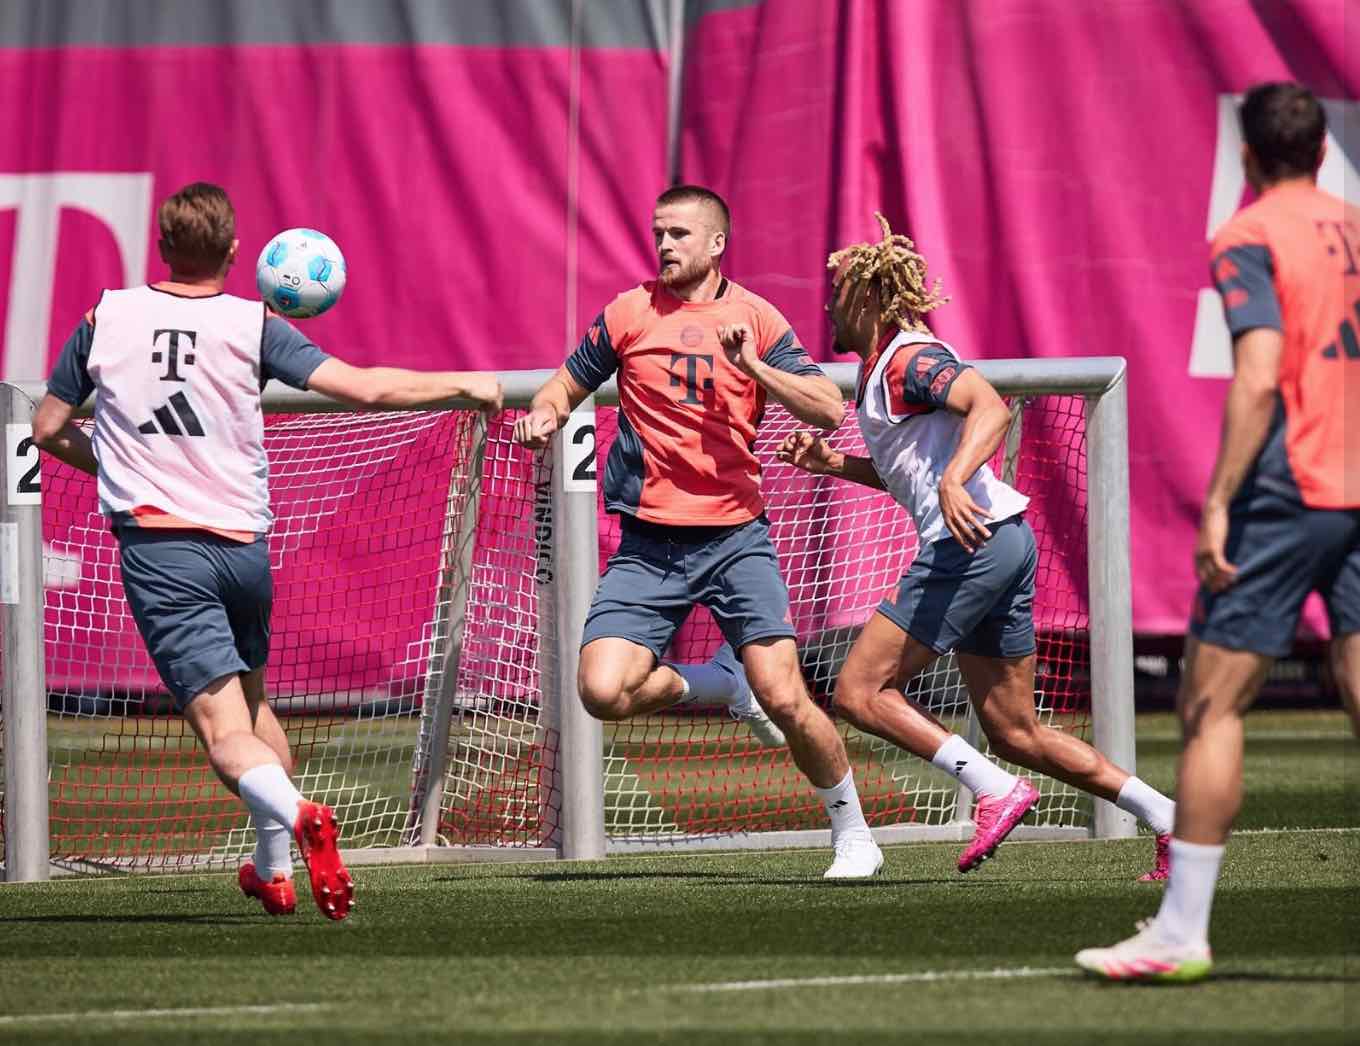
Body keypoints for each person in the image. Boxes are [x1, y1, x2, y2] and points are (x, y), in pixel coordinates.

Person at [31, 182, 503, 919]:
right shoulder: (254, 324)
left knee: (222, 734)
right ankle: (272, 870)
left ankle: (300, 813)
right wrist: (465, 384)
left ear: (161, 246)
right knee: (253, 708)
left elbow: (48, 427)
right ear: (234, 252)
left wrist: (120, 467)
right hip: (244, 553)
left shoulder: (106, 316)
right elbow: (364, 390)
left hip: (163, 553)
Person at [778, 213, 1175, 876]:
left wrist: (956, 478)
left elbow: (990, 406)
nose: (828, 305)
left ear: (870, 296)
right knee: (1016, 733)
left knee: (858, 691)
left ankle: (994, 790)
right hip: (1002, 541)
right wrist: (834, 464)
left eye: (839, 291)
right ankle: (1168, 818)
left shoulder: (909, 358)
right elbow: (911, 473)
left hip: (972, 544)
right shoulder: (880, 370)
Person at [512, 184, 883, 877]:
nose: (664, 245)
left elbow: (828, 409)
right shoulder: (629, 311)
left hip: (736, 539)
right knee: (602, 692)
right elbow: (564, 384)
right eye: (659, 233)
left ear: (717, 243)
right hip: (649, 546)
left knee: (786, 696)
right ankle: (719, 684)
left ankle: (854, 832)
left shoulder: (757, 318)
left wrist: (753, 367)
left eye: (679, 234)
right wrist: (546, 413)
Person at [1077, 82, 1358, 981]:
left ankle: (1180, 932)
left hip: (1296, 485)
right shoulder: (1353, 226)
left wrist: (1221, 501)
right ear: (1324, 151)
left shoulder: (1248, 232)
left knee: (1209, 707)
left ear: (1246, 156)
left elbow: (1261, 374)